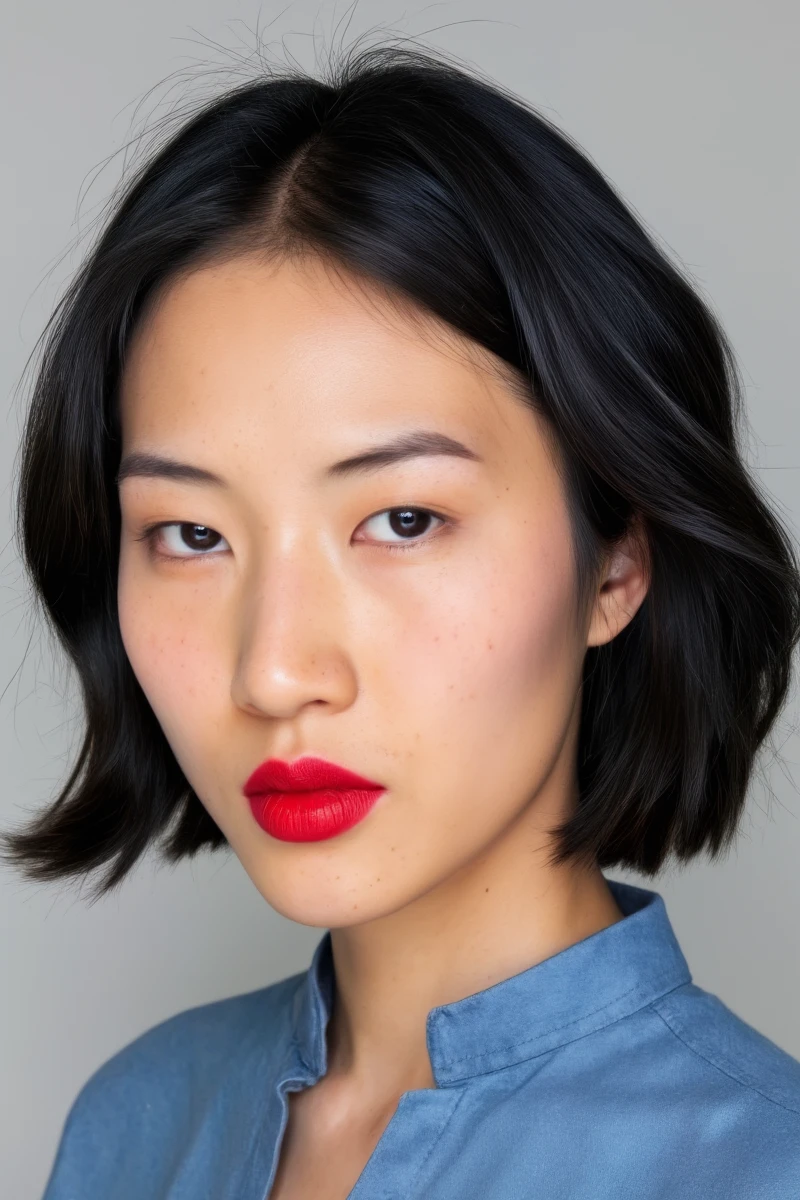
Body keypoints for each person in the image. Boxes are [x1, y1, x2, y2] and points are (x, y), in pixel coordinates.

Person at [3, 41, 800, 1200]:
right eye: (191, 535)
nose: (274, 670)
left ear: (616, 560)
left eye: (405, 519)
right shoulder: (133, 1128)